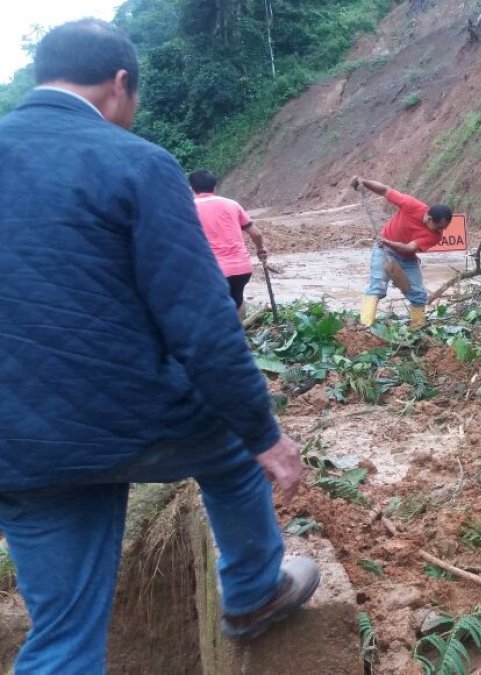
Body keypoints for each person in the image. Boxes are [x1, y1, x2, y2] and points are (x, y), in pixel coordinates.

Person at [0, 20, 317, 672]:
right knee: (232, 443)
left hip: (16, 441)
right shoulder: (137, 163)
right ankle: (255, 591)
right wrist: (265, 432)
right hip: (124, 416)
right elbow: (202, 327)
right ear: (120, 84)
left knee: (62, 634)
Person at [350, 176, 453, 328]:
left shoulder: (435, 236)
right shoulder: (411, 205)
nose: (441, 231)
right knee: (377, 286)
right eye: (439, 227)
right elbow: (385, 190)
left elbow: (409, 248)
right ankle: (365, 326)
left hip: (405, 256)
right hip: (383, 249)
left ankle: (417, 327)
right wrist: (364, 182)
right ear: (429, 218)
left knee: (418, 295)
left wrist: (387, 241)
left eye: (444, 228)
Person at [189, 169, 268, 316]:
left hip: (211, 271)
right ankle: (241, 334)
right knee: (237, 300)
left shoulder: (188, 208)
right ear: (215, 187)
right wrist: (260, 249)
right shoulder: (233, 204)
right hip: (241, 269)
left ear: (191, 188)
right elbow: (256, 233)